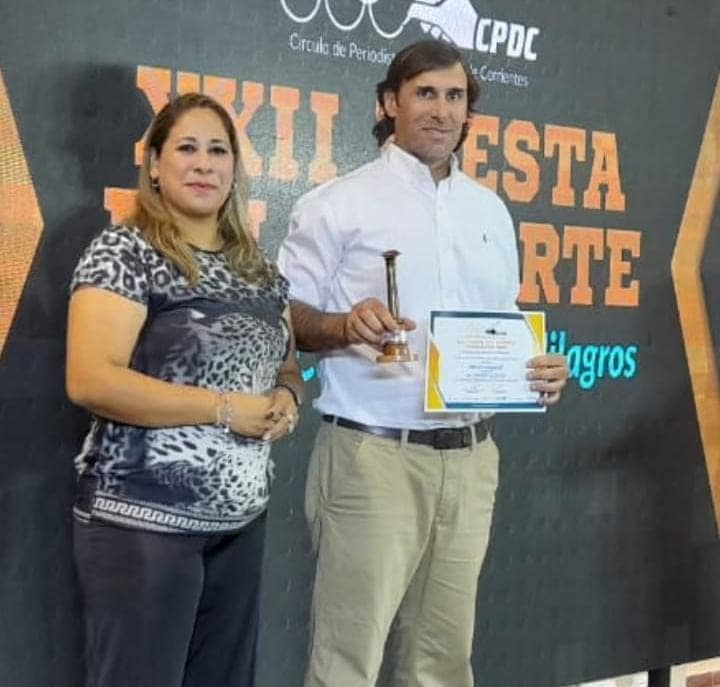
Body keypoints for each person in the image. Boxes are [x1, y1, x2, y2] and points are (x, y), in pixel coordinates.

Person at [277, 40, 568, 687]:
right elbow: (282, 315)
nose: (441, 110)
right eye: (425, 94)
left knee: (442, 663)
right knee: (346, 663)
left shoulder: (490, 210)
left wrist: (539, 369)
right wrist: (343, 324)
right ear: (390, 103)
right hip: (373, 459)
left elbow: (503, 320)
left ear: (469, 111)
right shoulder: (336, 204)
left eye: (455, 96)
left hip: (471, 461)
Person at [66, 92, 303, 687]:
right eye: (187, 149)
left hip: (239, 527)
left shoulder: (260, 270)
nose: (203, 164)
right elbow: (90, 379)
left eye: (218, 151)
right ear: (153, 164)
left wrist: (289, 399)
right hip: (141, 523)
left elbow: (290, 367)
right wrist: (223, 410)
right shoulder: (125, 251)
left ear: (235, 169)